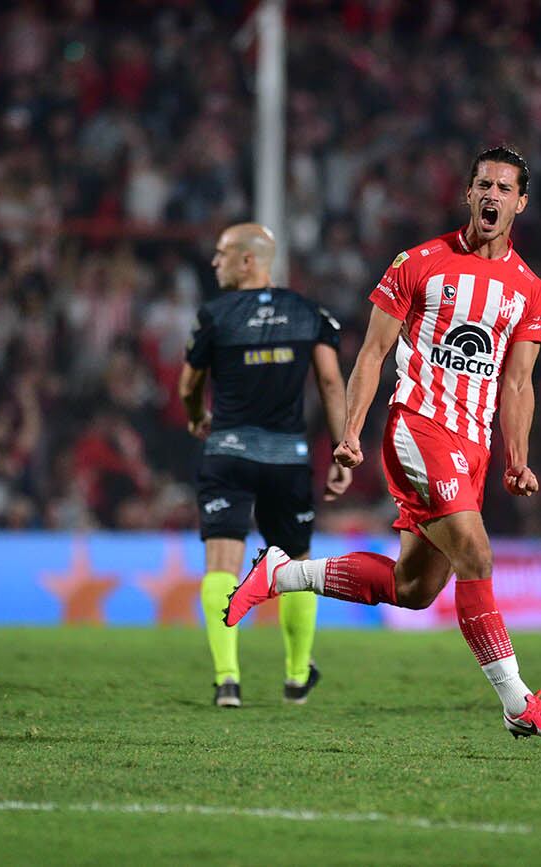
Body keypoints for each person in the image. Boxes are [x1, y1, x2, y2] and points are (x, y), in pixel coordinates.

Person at [224, 147, 541, 741]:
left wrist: (517, 456)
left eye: (504, 188)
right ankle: (519, 704)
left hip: (473, 446)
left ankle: (280, 574)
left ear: (521, 203)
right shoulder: (418, 262)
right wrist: (349, 433)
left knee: (413, 590)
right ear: (469, 194)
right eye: (483, 185)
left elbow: (518, 381)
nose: (492, 196)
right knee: (478, 555)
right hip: (418, 427)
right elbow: (370, 355)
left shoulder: (530, 289)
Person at [179, 223, 351, 708]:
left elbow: (189, 384)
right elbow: (331, 384)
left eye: (222, 254)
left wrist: (197, 418)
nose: (214, 263)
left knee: (222, 565)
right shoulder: (309, 313)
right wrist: (342, 450)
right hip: (288, 458)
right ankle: (297, 676)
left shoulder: (214, 316)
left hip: (228, 453)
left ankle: (227, 680)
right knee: (295, 565)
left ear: (249, 261)